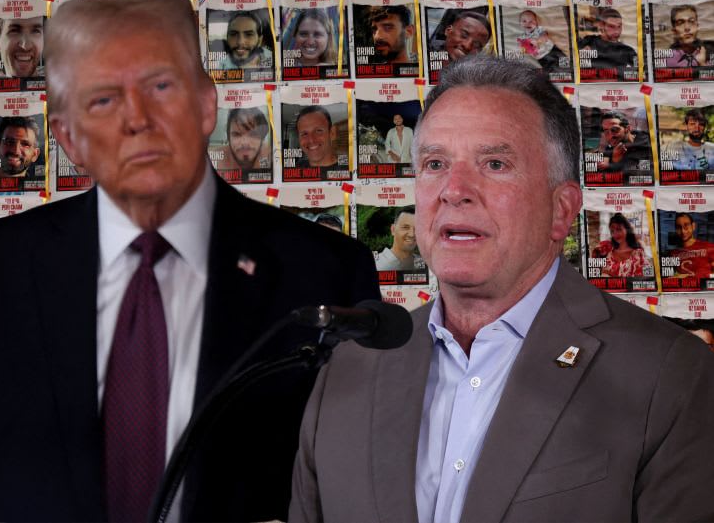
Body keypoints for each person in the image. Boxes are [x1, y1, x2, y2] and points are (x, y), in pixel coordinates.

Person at [0, 0, 380, 522]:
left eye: (160, 86)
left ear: (206, 104)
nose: (137, 119)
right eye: (103, 99)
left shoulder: (328, 272)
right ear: (68, 138)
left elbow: (358, 493)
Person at [289, 55, 714, 523]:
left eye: (494, 163)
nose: (454, 189)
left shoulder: (670, 374)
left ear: (561, 210)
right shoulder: (348, 368)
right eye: (435, 163)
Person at [590, 213, 649, 277]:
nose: (615, 234)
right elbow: (594, 270)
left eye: (618, 229)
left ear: (627, 230)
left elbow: (647, 276)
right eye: (612, 231)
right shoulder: (607, 249)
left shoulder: (638, 253)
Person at [595, 110, 651, 176]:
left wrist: (615, 162)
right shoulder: (612, 145)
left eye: (615, 130)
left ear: (627, 129)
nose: (610, 136)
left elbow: (646, 169)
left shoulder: (645, 141)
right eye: (606, 131)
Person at [669, 212, 714, 280]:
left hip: (704, 286)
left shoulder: (709, 247)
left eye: (686, 226)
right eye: (679, 227)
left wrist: (690, 276)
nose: (683, 231)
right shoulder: (673, 253)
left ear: (693, 226)